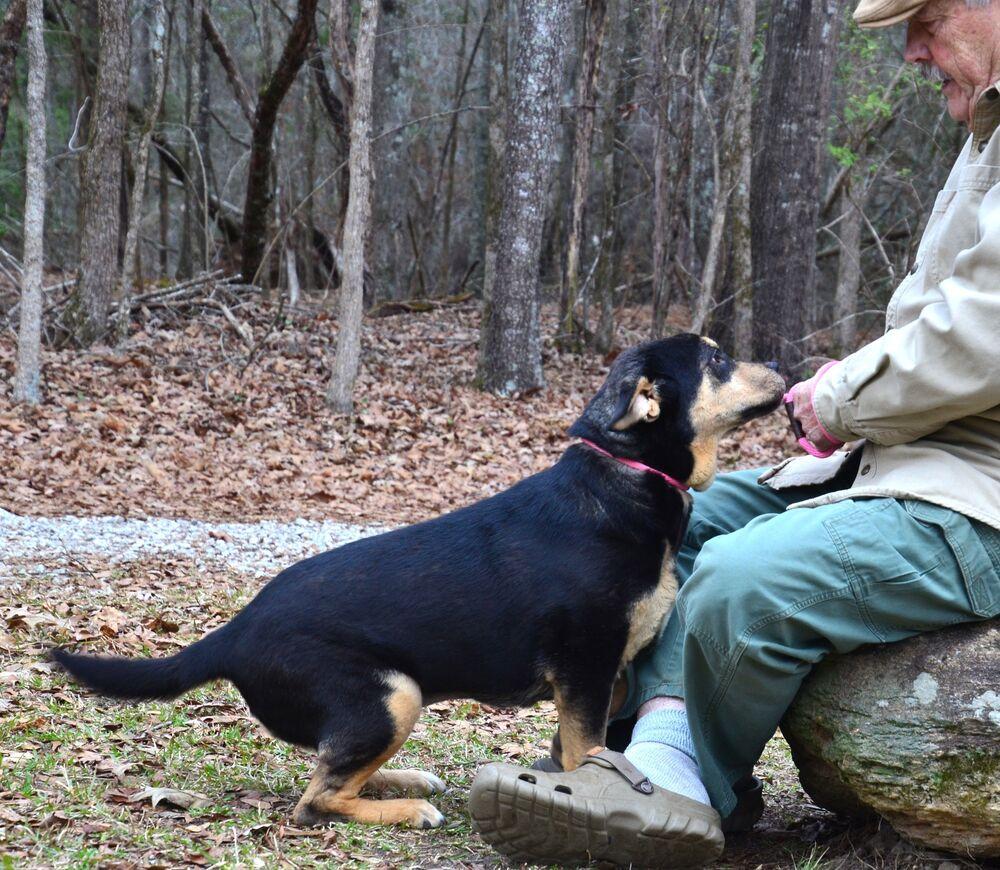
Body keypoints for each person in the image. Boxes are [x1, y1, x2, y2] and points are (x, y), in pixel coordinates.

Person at [469, 0, 1000, 865]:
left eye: (927, 20)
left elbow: (981, 341)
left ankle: (669, 789)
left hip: (979, 497)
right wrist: (851, 389)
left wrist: (839, 400)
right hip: (913, 462)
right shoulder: (987, 130)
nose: (911, 51)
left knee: (737, 577)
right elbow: (946, 320)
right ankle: (622, 757)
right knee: (642, 524)